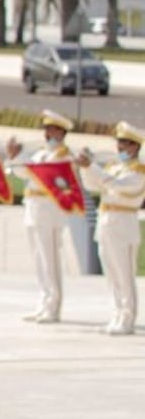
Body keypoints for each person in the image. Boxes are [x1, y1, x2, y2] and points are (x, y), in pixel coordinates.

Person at [7, 109, 78, 323]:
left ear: (61, 132)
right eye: (46, 129)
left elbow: (38, 172)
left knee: (50, 261)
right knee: (39, 258)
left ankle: (53, 305)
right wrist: (14, 156)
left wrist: (20, 158)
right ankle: (43, 301)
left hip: (50, 211)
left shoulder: (63, 156)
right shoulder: (41, 153)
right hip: (34, 208)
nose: (47, 134)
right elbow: (23, 172)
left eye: (51, 130)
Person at [77, 122, 145, 335]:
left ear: (135, 147)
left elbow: (117, 185)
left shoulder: (139, 171)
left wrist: (92, 167)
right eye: (119, 143)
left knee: (124, 274)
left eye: (125, 144)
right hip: (106, 220)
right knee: (111, 273)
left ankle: (128, 318)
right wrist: (85, 167)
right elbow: (93, 185)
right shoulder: (114, 166)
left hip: (124, 223)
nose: (121, 148)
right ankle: (116, 314)